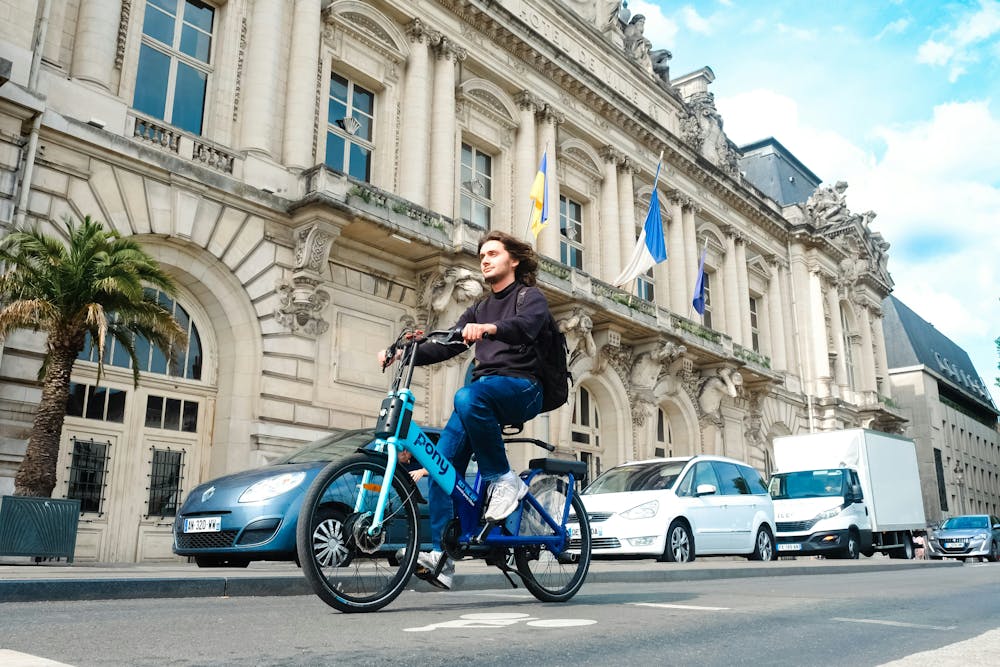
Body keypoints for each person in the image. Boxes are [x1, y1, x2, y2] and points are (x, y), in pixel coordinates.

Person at [378, 230, 549, 590]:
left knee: (469, 395)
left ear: (513, 260)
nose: (484, 260)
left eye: (492, 253)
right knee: (440, 467)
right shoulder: (479, 308)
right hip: (484, 393)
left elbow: (526, 327)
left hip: (524, 388)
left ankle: (502, 479)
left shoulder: (528, 297)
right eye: (481, 255)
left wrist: (490, 329)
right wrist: (403, 353)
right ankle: (443, 556)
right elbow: (446, 346)